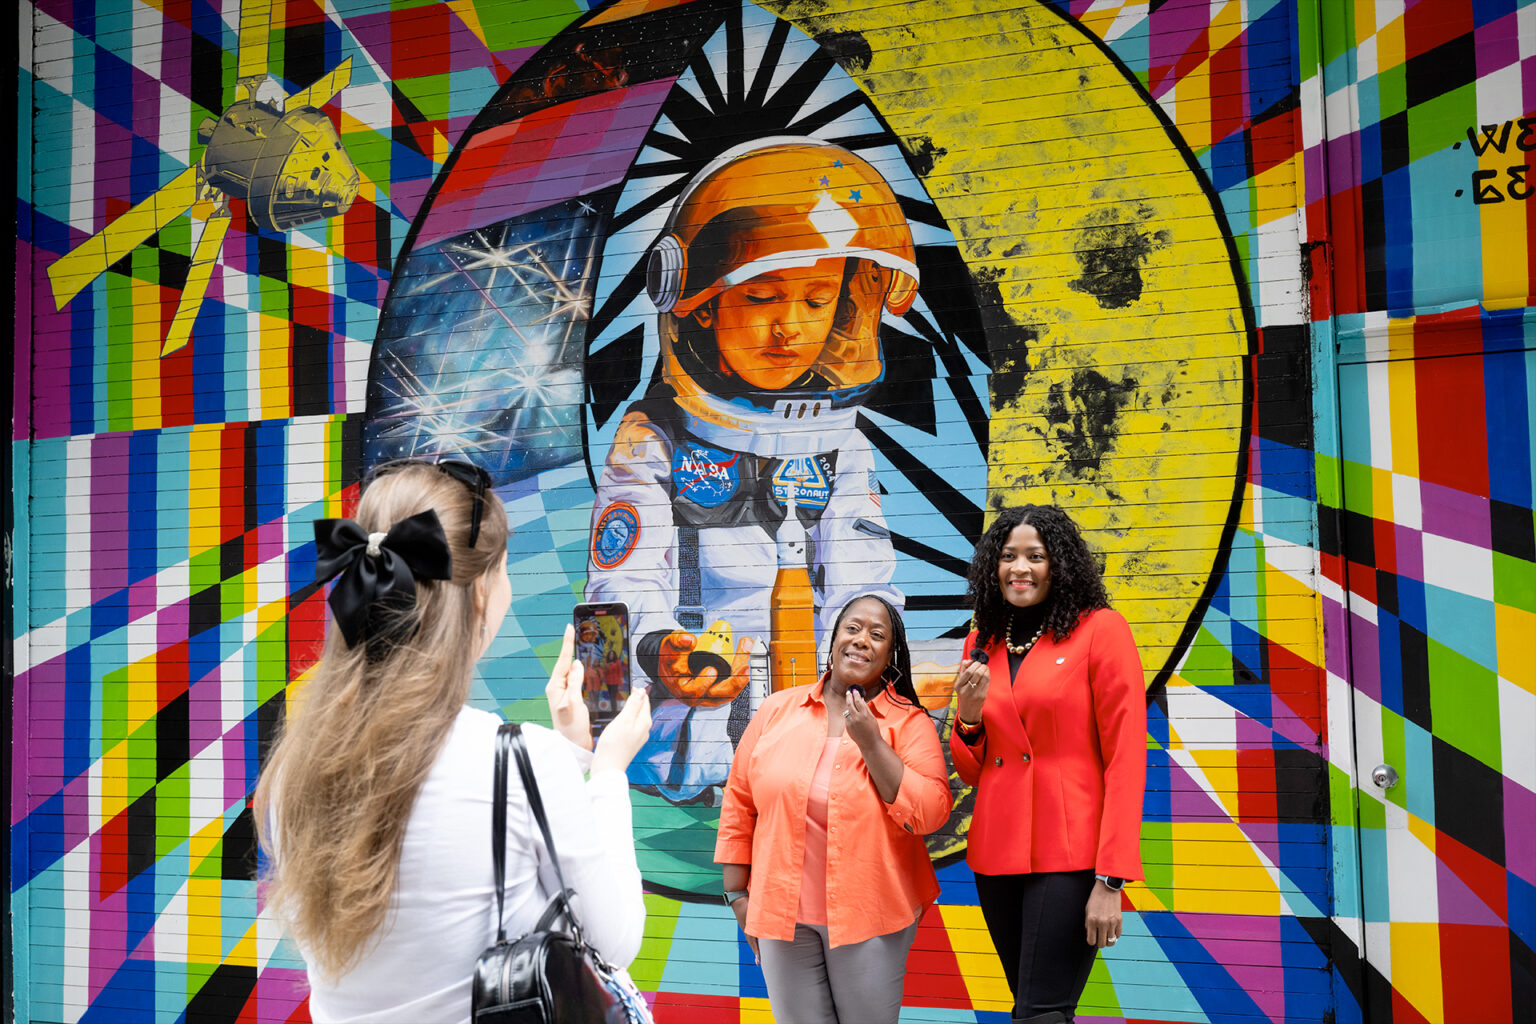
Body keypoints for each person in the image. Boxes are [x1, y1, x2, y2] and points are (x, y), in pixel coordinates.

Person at [254, 460, 652, 1023]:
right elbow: (615, 944)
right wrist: (607, 773)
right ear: (482, 595)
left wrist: (570, 753)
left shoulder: (298, 763)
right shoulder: (521, 761)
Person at [584, 137, 919, 803]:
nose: (791, 328)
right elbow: (605, 613)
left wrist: (872, 643)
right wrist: (663, 656)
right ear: (698, 301)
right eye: (763, 296)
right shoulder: (652, 440)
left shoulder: (841, 445)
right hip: (691, 762)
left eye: (819, 300)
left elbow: (864, 583)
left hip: (819, 753)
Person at [948, 505, 1147, 1024]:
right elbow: (973, 768)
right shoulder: (981, 641)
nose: (1021, 567)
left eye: (1036, 556)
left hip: (1072, 855)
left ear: (1059, 564)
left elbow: (1126, 759)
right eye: (1009, 556)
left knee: (1042, 1012)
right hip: (997, 854)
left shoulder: (1101, 630)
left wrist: (1112, 880)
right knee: (1031, 1008)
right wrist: (968, 717)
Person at [716, 594, 951, 1024]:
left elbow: (931, 813)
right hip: (781, 920)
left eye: (877, 635)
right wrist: (737, 897)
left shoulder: (909, 723)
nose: (862, 640)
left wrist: (871, 741)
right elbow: (739, 803)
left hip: (870, 916)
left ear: (890, 654)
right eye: (853, 628)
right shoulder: (775, 711)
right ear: (834, 639)